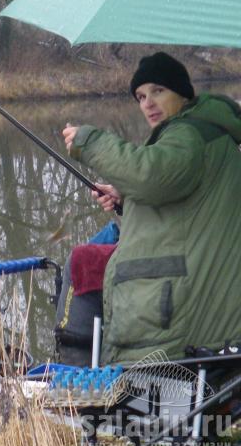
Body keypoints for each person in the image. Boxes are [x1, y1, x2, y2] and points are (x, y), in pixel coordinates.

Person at [61, 52, 241, 364]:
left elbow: (150, 176)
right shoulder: (203, 132)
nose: (147, 104)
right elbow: (182, 198)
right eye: (141, 96)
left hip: (181, 321)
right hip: (204, 312)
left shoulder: (188, 133)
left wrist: (89, 142)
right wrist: (125, 197)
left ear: (182, 93)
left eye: (158, 91)